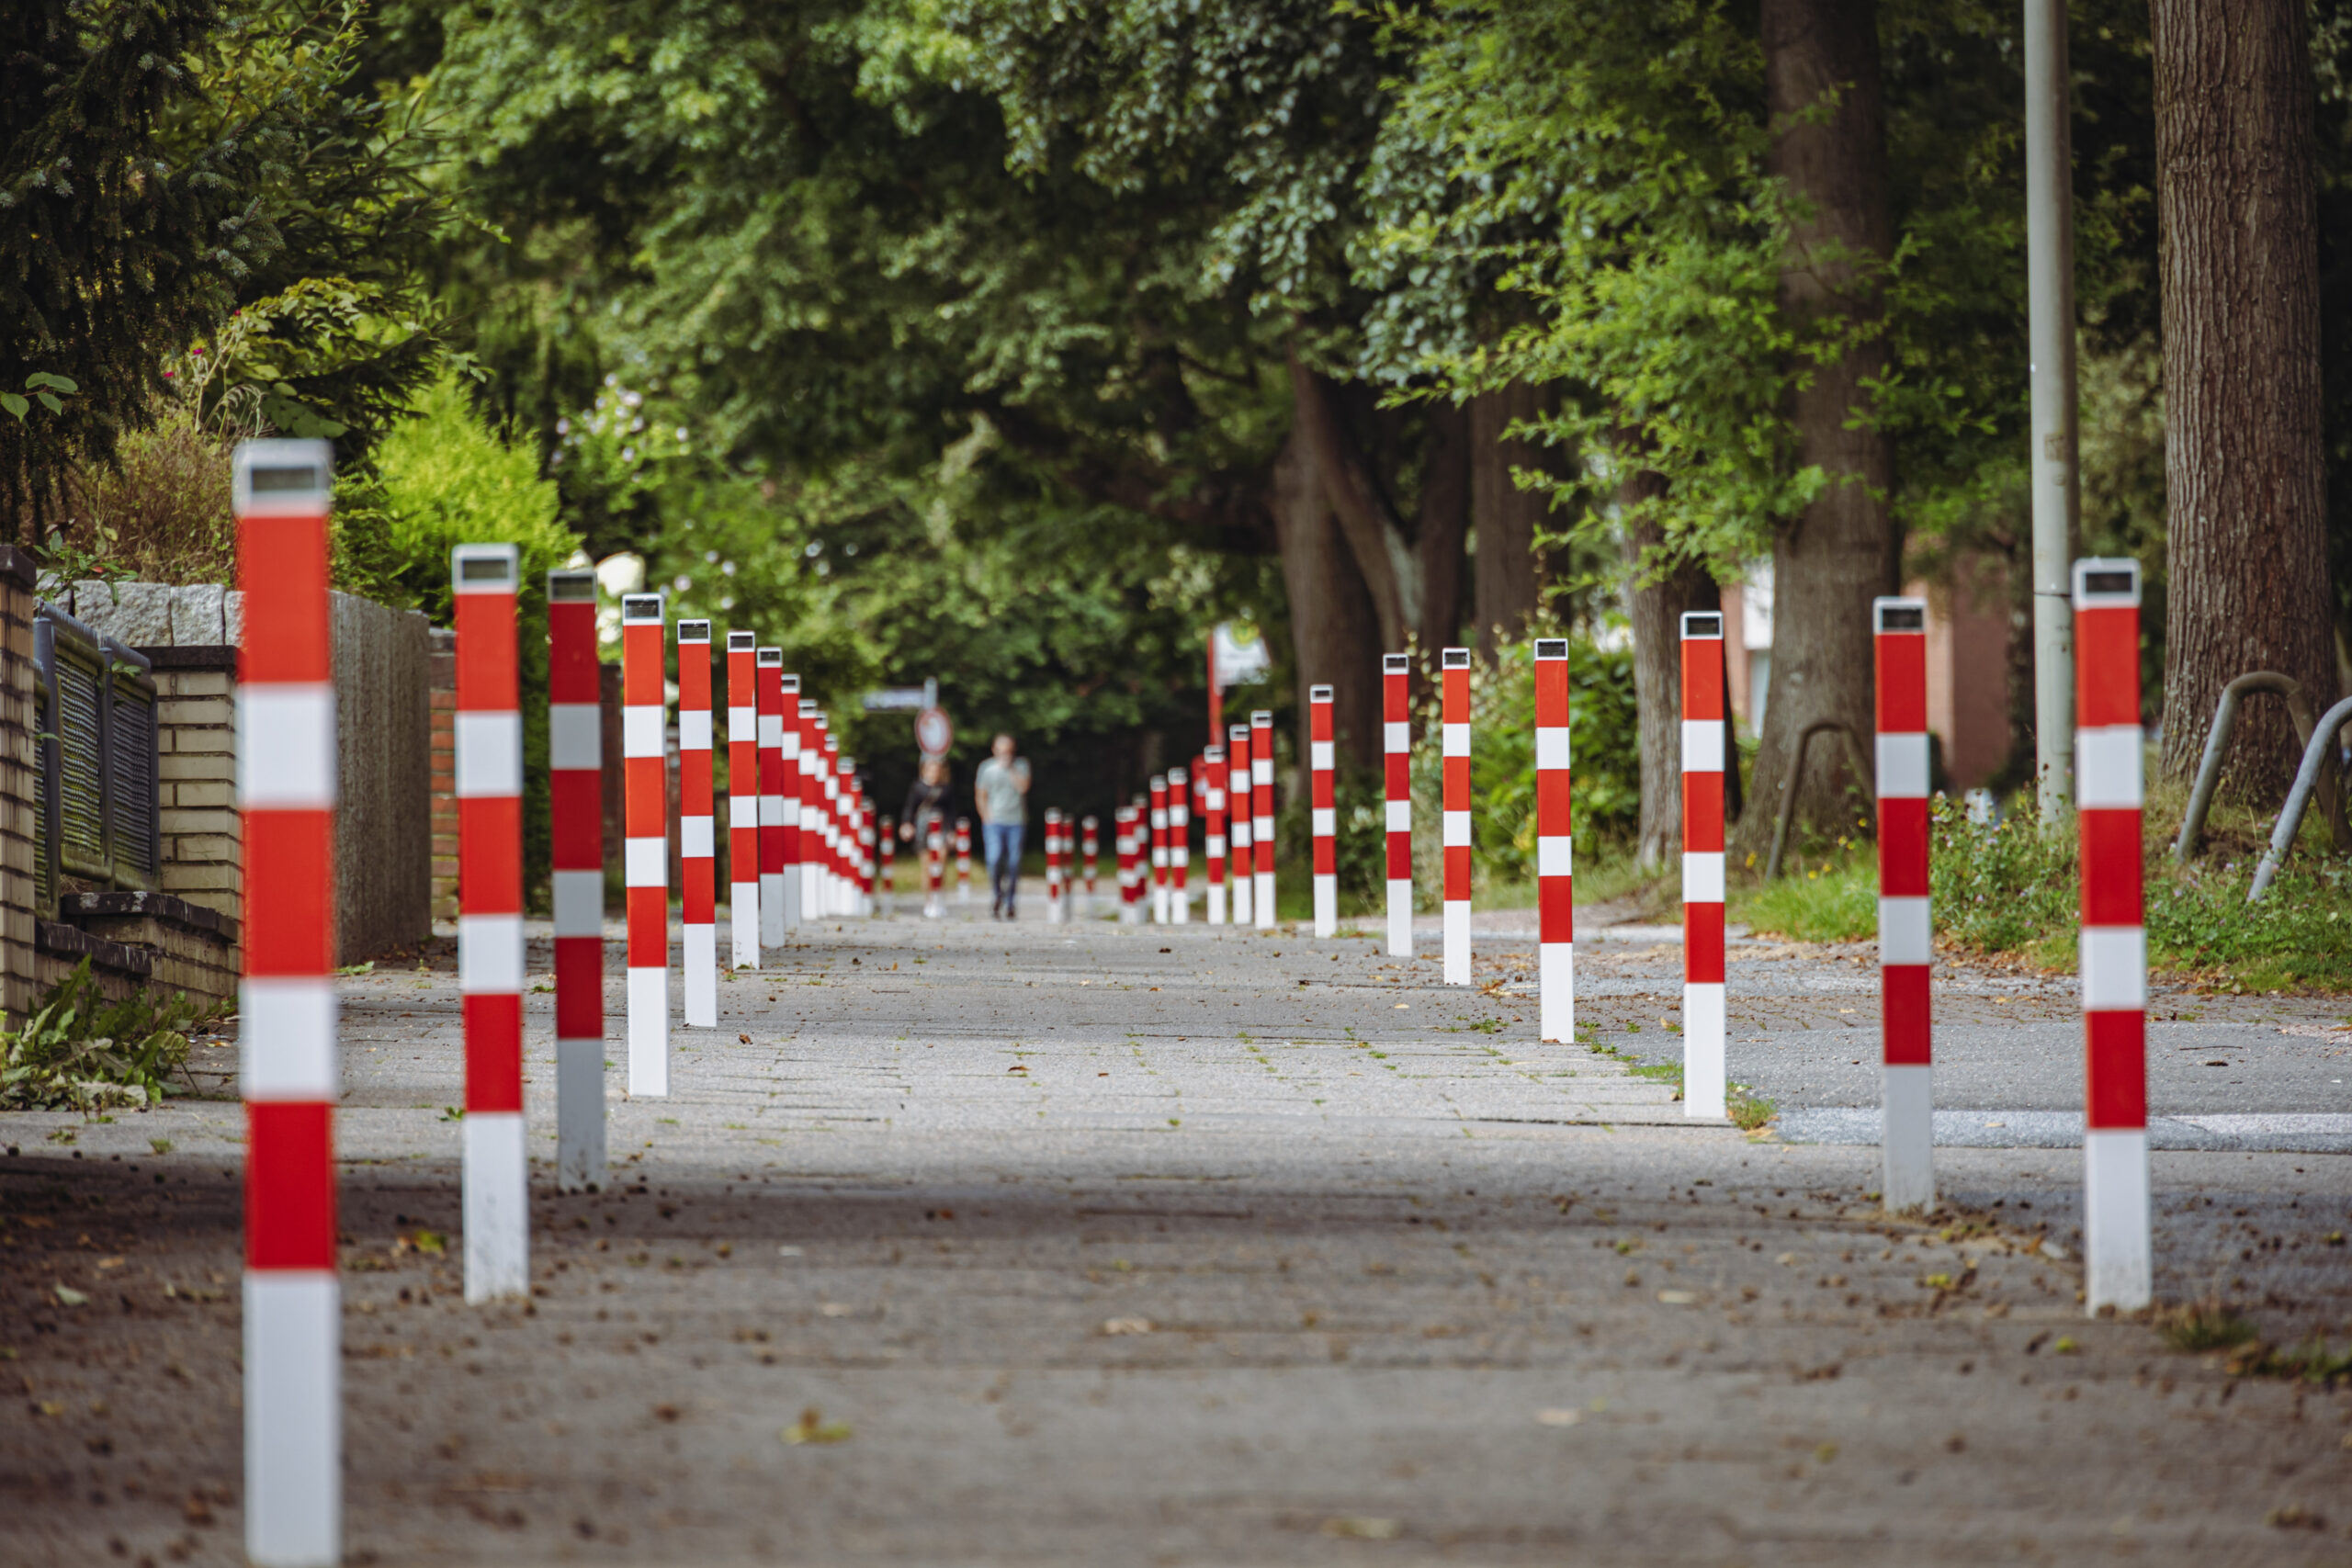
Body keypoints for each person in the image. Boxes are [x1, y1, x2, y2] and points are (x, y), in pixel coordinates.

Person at [973, 732, 1031, 919]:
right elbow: (980, 794)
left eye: (1008, 750)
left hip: (1016, 821)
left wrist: (1011, 769)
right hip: (994, 822)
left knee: (1014, 862)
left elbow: (1023, 787)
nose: (1005, 754)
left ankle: (1010, 901)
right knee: (994, 859)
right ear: (994, 750)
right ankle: (997, 895)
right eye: (1001, 750)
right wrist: (985, 816)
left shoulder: (1021, 765)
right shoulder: (986, 768)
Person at [900, 758, 953, 848]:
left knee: (941, 849)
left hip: (941, 825)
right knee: (923, 849)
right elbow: (910, 807)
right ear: (924, 771)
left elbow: (951, 810)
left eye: (936, 771)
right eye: (932, 771)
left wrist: (952, 829)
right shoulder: (917, 788)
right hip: (922, 825)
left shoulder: (945, 789)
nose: (934, 773)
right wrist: (906, 823)